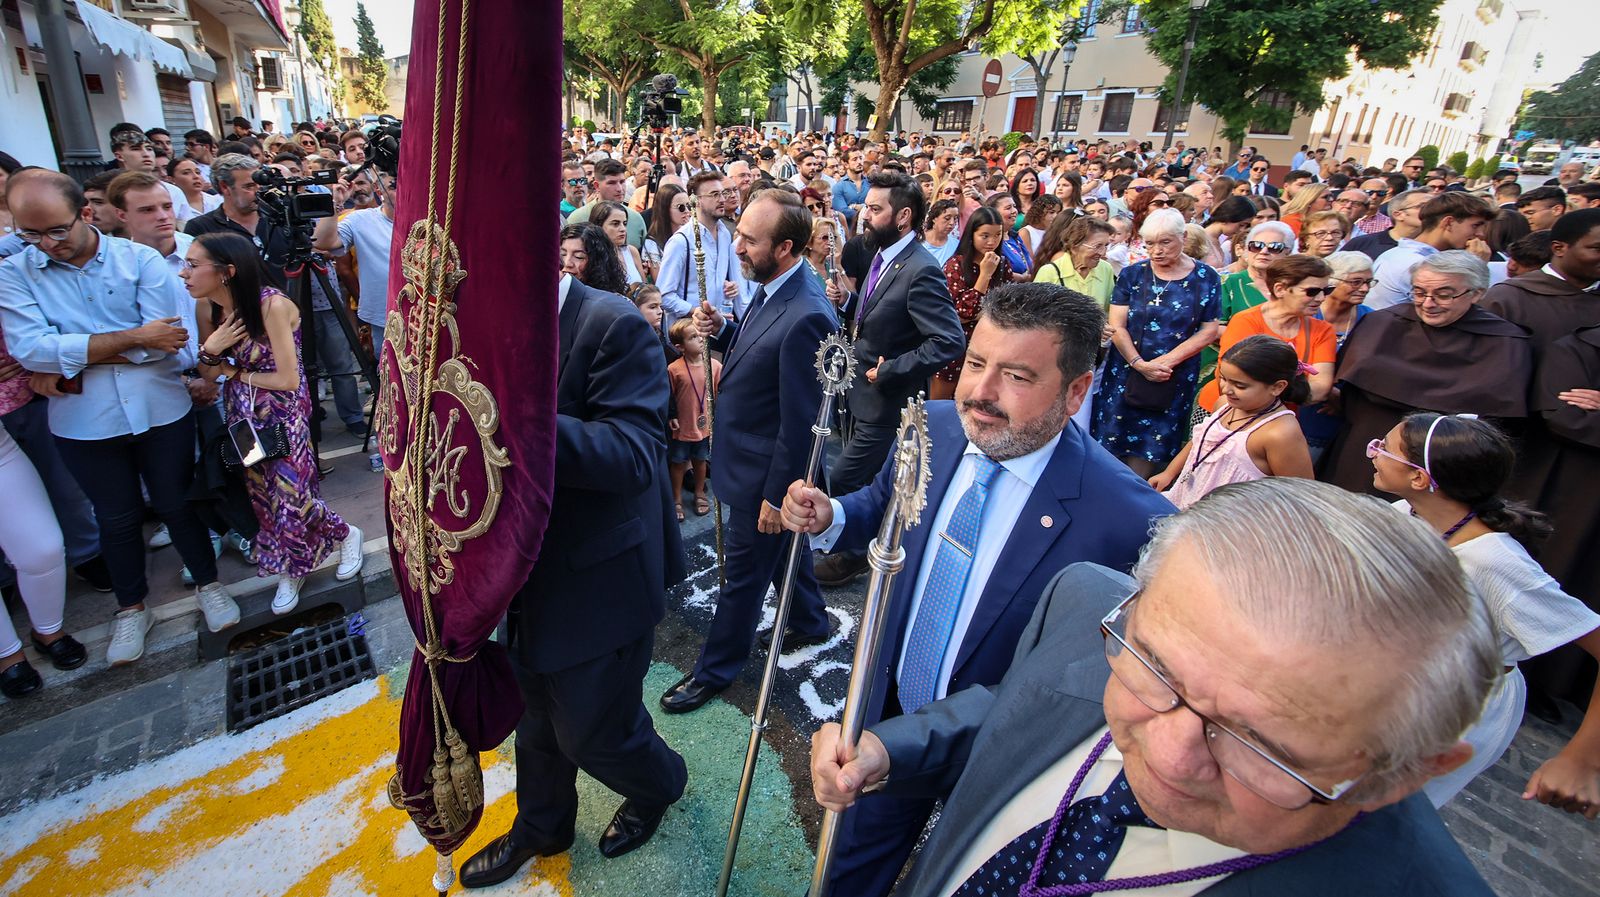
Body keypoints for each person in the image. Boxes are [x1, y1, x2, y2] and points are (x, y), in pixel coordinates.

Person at [809, 479, 1501, 897]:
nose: (1168, 756)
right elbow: (1021, 702)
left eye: (1261, 742)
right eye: (1158, 671)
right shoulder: (1086, 603)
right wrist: (891, 749)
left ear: (1402, 774)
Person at [782, 282, 1173, 897]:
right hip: (890, 721)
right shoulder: (933, 425)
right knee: (847, 873)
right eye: (974, 363)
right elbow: (886, 504)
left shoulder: (1130, 520)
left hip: (1002, 759)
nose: (979, 393)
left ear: (1076, 392)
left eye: (1017, 376)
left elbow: (1081, 678)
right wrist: (832, 515)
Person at [458, 268, 686, 888]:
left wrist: (508, 420)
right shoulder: (486, 328)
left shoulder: (612, 324)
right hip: (522, 579)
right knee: (534, 723)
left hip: (599, 584)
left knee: (593, 733)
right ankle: (543, 826)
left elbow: (636, 454)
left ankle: (662, 783)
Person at [0, 170, 240, 664]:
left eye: (56, 230)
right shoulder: (14, 273)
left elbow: (166, 343)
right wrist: (132, 337)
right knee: (117, 518)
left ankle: (210, 588)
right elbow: (30, 351)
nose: (45, 244)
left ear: (86, 215)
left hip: (159, 409)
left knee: (178, 504)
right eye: (29, 234)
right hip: (83, 422)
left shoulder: (140, 260)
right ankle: (131, 608)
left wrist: (70, 359)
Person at [661, 191, 838, 713]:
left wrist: (776, 499)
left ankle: (714, 671)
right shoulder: (777, 284)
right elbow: (766, 354)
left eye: (748, 240)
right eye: (737, 234)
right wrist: (727, 333)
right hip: (751, 460)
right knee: (785, 554)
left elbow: (805, 422)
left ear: (785, 247)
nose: (736, 246)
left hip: (767, 477)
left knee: (741, 579)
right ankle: (809, 621)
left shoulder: (808, 311)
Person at [1371, 413, 1600, 815]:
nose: (1373, 453)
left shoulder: (1496, 562)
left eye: (1383, 448)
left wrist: (1580, 760)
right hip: (1400, 683)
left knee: (1384, 811)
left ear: (1420, 478)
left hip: (1458, 708)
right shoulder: (1408, 512)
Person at [185, 234, 363, 613]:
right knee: (263, 496)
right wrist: (212, 349)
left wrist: (236, 375)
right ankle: (291, 564)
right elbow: (208, 372)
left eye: (193, 264)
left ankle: (347, 534)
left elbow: (288, 379)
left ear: (227, 272)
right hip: (241, 417)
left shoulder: (272, 306)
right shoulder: (208, 308)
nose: (184, 273)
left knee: (293, 497)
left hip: (283, 413)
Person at [816, 172, 964, 586]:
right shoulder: (881, 255)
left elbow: (949, 341)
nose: (865, 216)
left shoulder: (920, 269)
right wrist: (847, 304)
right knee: (866, 477)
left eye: (875, 209)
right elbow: (879, 317)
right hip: (862, 392)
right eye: (866, 206)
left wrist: (891, 369)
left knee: (844, 476)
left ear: (903, 217)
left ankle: (853, 556)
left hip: (888, 398)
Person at [1321, 252, 1532, 493]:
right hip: (1365, 447)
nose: (1428, 303)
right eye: (1419, 292)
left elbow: (1499, 416)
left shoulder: (1504, 341)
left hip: (1442, 462)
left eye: (1444, 295)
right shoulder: (1382, 322)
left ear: (1477, 293)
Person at [1094, 209, 1223, 477]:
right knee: (1113, 436)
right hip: (1126, 369)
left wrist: (1165, 363)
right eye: (1149, 243)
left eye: (1165, 242)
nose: (1156, 251)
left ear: (1183, 237)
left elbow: (1209, 329)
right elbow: (1116, 324)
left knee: (1153, 442)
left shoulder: (1206, 277)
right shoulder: (1133, 274)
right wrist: (1139, 363)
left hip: (1173, 373)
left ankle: (1135, 496)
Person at [1153, 335, 1314, 507]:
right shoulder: (1224, 405)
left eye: (1240, 386)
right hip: (1187, 501)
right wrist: (1169, 473)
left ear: (1277, 387)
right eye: (1223, 378)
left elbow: (1299, 495)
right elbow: (1201, 440)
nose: (1226, 389)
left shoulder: (1280, 433)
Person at [1196, 254, 1337, 414]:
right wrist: (1290, 388)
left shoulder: (1323, 330)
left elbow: (1321, 388)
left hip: (1276, 419)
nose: (1321, 298)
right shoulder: (1246, 321)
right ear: (1280, 289)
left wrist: (1261, 388)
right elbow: (1229, 377)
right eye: (1312, 291)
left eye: (1327, 290)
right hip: (1225, 410)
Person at [1366, 192, 1495, 309]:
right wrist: (1475, 266)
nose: (1481, 234)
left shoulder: (1401, 253)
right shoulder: (1418, 262)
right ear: (1448, 223)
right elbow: (1455, 312)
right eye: (1476, 225)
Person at [933, 207, 1010, 400]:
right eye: (984, 236)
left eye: (997, 235)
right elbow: (962, 312)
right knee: (942, 403)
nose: (992, 242)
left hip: (990, 345)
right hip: (956, 345)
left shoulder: (1003, 265)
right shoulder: (955, 265)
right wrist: (984, 275)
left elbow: (1006, 307)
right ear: (972, 234)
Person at [316, 171, 398, 352]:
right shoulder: (360, 219)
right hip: (382, 319)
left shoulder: (428, 216)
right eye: (393, 186)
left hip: (423, 316)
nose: (400, 191)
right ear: (378, 189)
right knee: (386, 376)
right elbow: (323, 242)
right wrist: (335, 203)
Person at [184, 153, 291, 289]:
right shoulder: (201, 228)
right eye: (249, 186)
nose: (258, 192)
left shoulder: (279, 218)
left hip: (287, 306)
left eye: (260, 185)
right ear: (224, 187)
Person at [656, 172, 745, 327]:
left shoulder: (724, 234)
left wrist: (727, 287)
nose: (722, 199)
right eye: (714, 194)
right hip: (688, 333)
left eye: (722, 193)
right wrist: (694, 311)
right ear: (696, 200)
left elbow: (711, 279)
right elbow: (663, 295)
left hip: (716, 329)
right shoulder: (681, 241)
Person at [664, 317, 717, 520]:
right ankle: (676, 498)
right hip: (683, 427)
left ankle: (700, 492)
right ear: (680, 347)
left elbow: (719, 393)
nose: (700, 340)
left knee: (701, 460)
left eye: (700, 335)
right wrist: (672, 416)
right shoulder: (674, 369)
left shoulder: (714, 365)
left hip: (704, 427)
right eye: (693, 337)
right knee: (678, 462)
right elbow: (669, 395)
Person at [565, 159, 647, 249]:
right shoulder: (578, 218)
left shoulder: (636, 219)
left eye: (622, 182)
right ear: (597, 186)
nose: (619, 188)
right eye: (612, 183)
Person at [559, 221, 627, 295]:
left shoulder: (613, 302)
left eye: (579, 257)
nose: (567, 263)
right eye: (562, 254)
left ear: (597, 262)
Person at [641, 182, 689, 279]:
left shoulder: (692, 232)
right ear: (665, 209)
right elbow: (660, 281)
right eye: (681, 207)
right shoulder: (652, 243)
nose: (687, 211)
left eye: (689, 205)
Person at [591, 200, 646, 284]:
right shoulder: (590, 256)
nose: (623, 229)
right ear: (599, 226)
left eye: (624, 223)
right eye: (615, 224)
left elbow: (644, 289)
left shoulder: (631, 251)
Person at [919, 198, 960, 266]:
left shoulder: (956, 245)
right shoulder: (918, 240)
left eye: (955, 218)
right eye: (947, 218)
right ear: (934, 218)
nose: (952, 223)